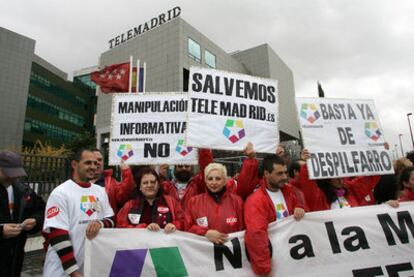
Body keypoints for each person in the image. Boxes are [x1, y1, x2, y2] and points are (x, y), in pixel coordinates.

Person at [43, 149, 115, 277]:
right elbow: (57, 235)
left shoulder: (100, 191)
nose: (93, 167)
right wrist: (73, 272)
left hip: (88, 267)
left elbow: (112, 219)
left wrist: (101, 223)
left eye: (95, 163)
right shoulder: (61, 193)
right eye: (88, 163)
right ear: (74, 164)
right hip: (61, 270)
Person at [244, 154, 305, 276]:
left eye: (285, 173)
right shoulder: (256, 201)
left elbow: (300, 207)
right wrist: (264, 270)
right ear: (266, 174)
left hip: (294, 258)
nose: (284, 177)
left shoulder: (289, 191)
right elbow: (256, 235)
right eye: (279, 174)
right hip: (274, 264)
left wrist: (300, 208)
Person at [0, 151, 45, 277]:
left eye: (16, 174)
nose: (13, 177)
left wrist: (34, 220)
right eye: (8, 174)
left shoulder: (23, 191)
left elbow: (41, 209)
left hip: (14, 262)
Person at [184, 163, 244, 244]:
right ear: (205, 180)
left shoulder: (237, 201)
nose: (214, 182)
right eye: (210, 178)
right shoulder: (194, 202)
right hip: (202, 253)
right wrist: (205, 232)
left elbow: (243, 230)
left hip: (230, 252)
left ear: (224, 181)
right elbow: (187, 227)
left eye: (218, 178)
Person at [117, 167, 183, 232]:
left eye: (153, 182)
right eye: (145, 183)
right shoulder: (129, 205)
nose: (149, 185)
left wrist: (174, 225)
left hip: (165, 242)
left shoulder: (171, 202)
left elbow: (182, 221)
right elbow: (121, 227)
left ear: (158, 185)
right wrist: (143, 228)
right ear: (140, 187)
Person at [90, 149, 135, 216]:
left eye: (100, 160)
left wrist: (126, 171)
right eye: (93, 160)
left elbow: (125, 196)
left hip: (106, 224)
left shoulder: (111, 183)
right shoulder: (76, 185)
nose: (97, 162)